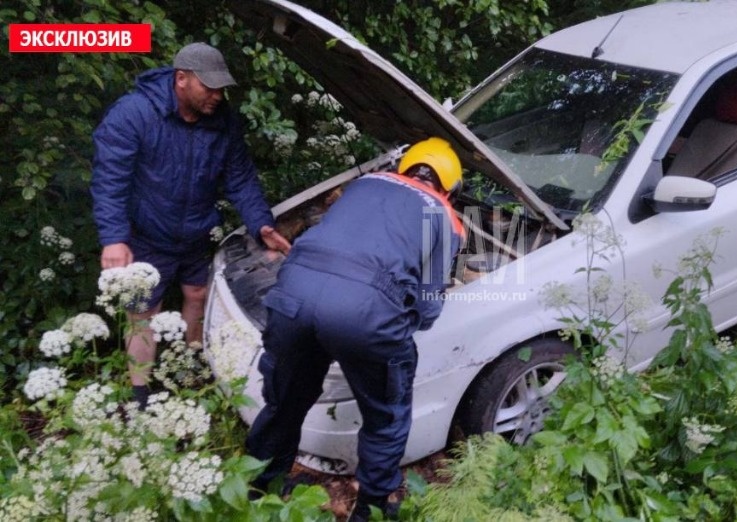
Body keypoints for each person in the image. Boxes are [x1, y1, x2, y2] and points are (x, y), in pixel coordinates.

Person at [245, 137, 464, 521]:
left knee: (285, 401)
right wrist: (397, 322)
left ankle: (254, 491)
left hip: (294, 291)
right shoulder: (445, 217)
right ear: (450, 187)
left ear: (404, 167)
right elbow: (428, 307)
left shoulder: (365, 183)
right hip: (365, 312)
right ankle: (370, 512)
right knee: (386, 419)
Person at [90, 42, 291, 408]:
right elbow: (110, 180)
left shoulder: (223, 122)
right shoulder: (135, 114)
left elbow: (240, 178)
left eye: (221, 88)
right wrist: (114, 238)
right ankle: (140, 398)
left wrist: (261, 224)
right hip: (147, 234)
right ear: (181, 79)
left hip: (197, 231)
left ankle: (186, 375)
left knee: (198, 296)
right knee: (142, 314)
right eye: (209, 87)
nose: (217, 95)